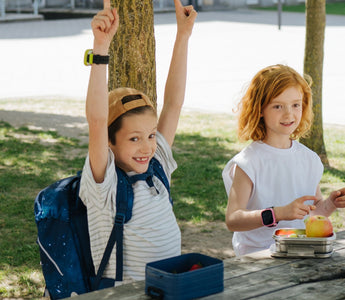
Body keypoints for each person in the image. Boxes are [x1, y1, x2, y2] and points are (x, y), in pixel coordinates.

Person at [79, 0, 197, 284]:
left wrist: (183, 36)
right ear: (109, 141)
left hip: (167, 288)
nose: (147, 147)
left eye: (151, 135)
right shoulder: (103, 182)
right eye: (134, 138)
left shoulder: (157, 166)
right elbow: (96, 120)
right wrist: (101, 48)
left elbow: (173, 104)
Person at [222, 64, 345, 256]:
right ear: (259, 109)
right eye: (278, 106)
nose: (289, 114)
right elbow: (233, 219)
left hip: (300, 253)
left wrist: (331, 202)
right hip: (257, 259)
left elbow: (313, 212)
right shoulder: (248, 162)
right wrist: (277, 213)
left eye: (295, 105)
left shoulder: (310, 159)